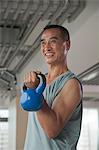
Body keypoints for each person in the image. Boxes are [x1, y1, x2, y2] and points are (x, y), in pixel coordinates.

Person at [22, 24, 83, 150]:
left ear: (67, 45)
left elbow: (52, 130)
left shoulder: (71, 84)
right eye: (43, 43)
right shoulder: (40, 81)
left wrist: (35, 93)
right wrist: (32, 90)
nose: (47, 48)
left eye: (53, 42)